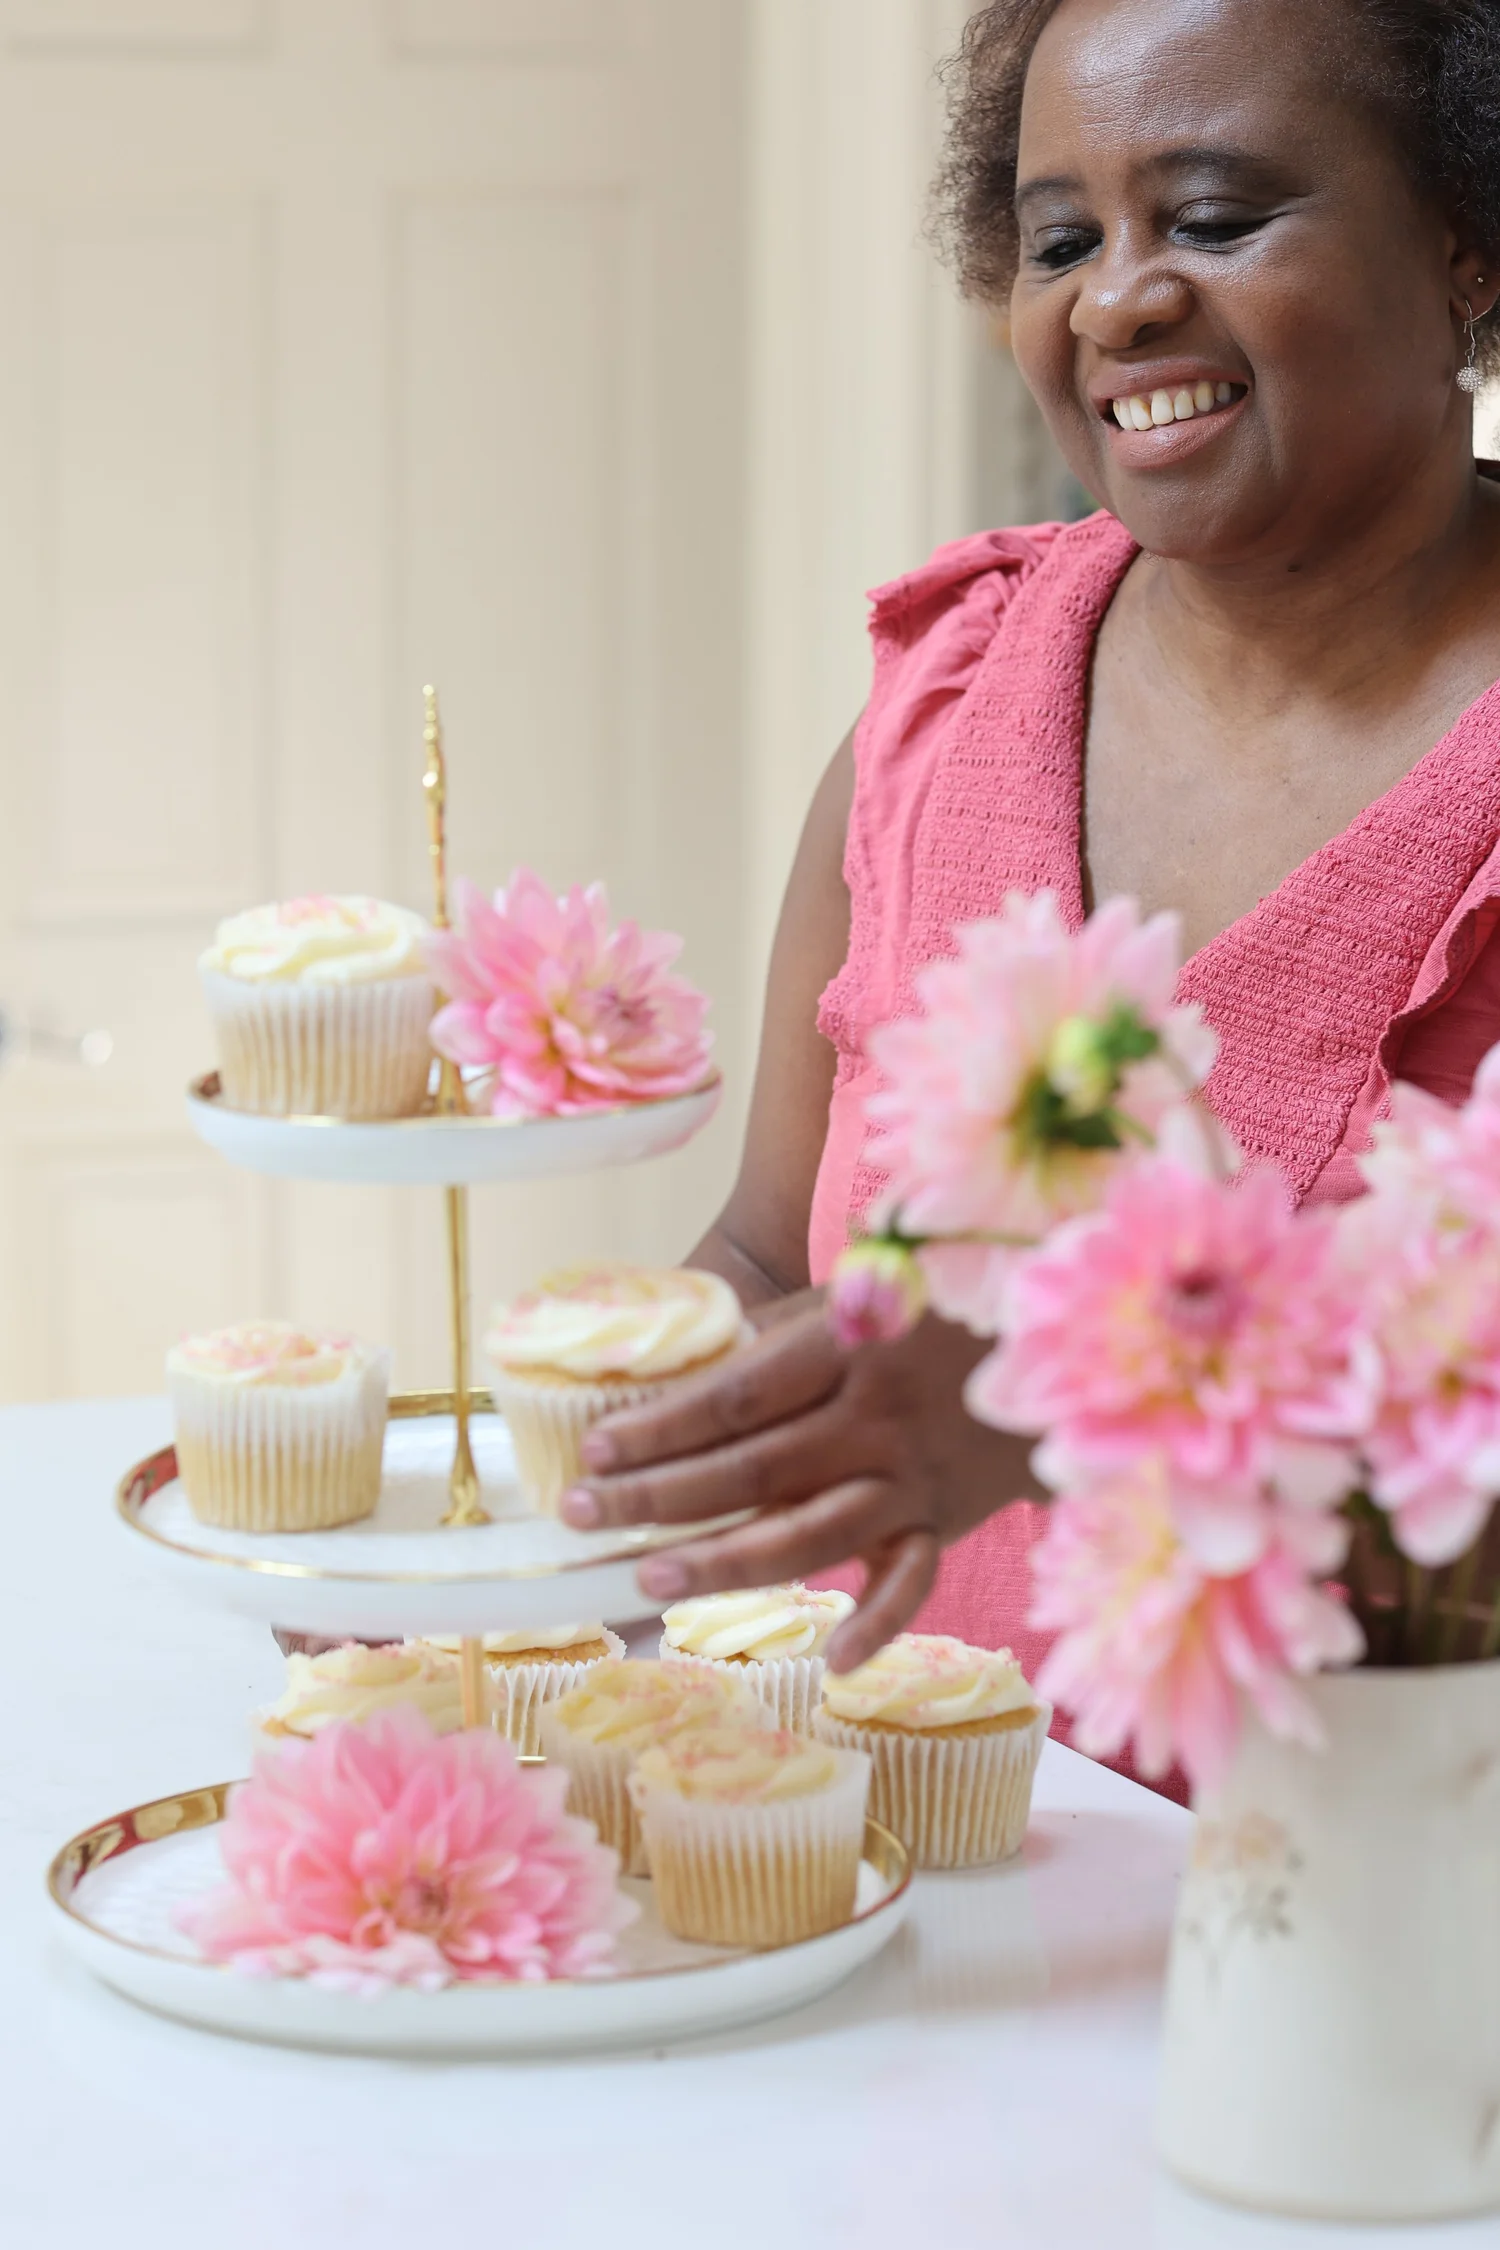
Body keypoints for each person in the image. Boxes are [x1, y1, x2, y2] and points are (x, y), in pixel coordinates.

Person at [561, 0, 1500, 1755]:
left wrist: (1050, 1406)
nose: (1118, 297)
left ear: (1463, 240)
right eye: (1059, 238)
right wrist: (553, 1548)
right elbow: (773, 1253)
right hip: (888, 1915)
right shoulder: (943, 700)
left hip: (1372, 1951)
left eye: (1216, 218)